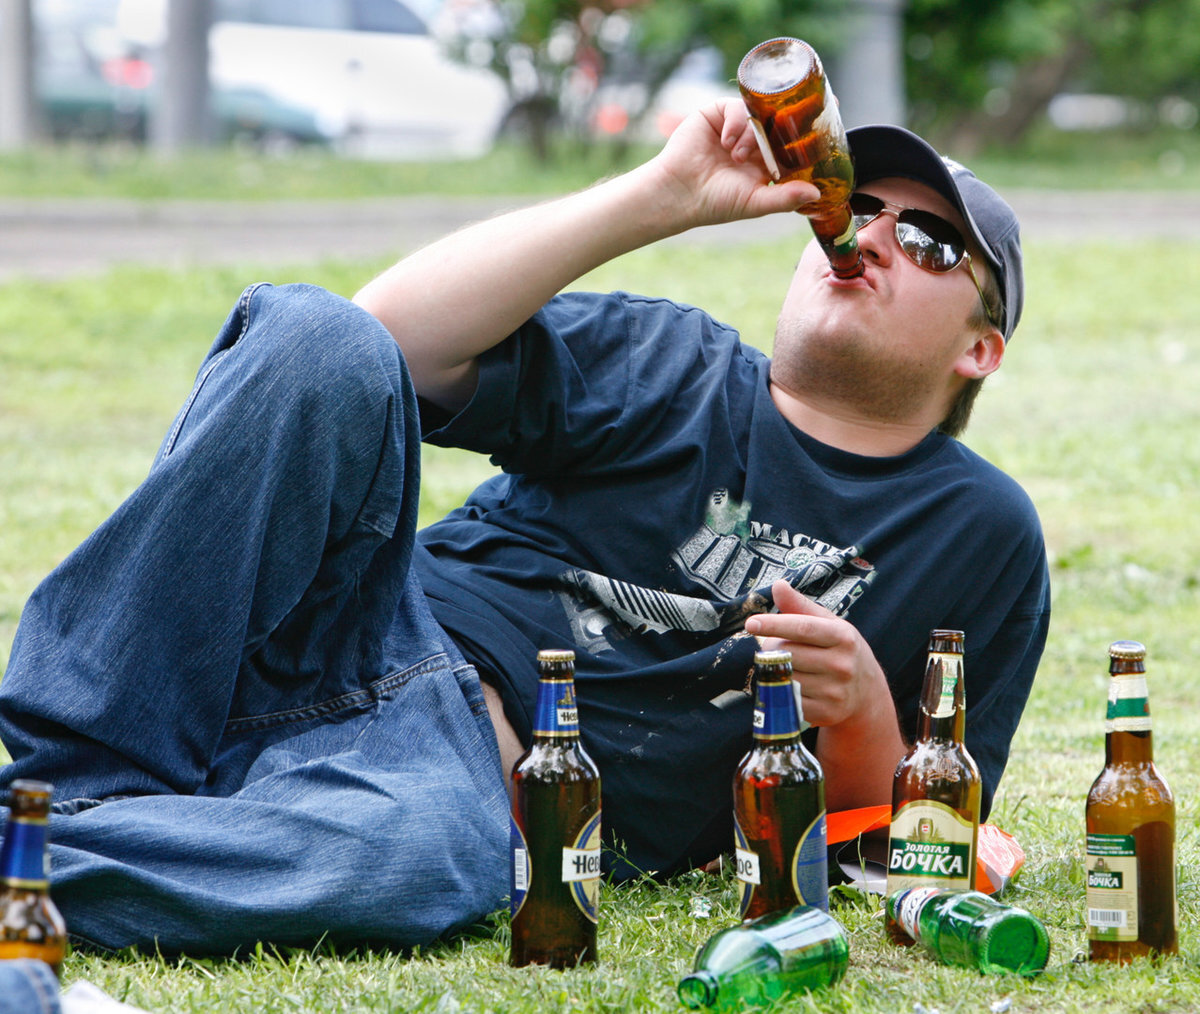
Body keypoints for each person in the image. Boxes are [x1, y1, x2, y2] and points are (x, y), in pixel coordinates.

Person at [0, 100, 1049, 962]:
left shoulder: (982, 532)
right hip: (343, 621)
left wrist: (865, 712)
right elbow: (386, 342)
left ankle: (33, 851)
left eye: (926, 240)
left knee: (423, 862)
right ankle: (78, 758)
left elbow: (924, 848)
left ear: (981, 351)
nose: (865, 234)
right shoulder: (674, 365)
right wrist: (660, 198)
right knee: (318, 334)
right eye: (852, 205)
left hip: (448, 787)